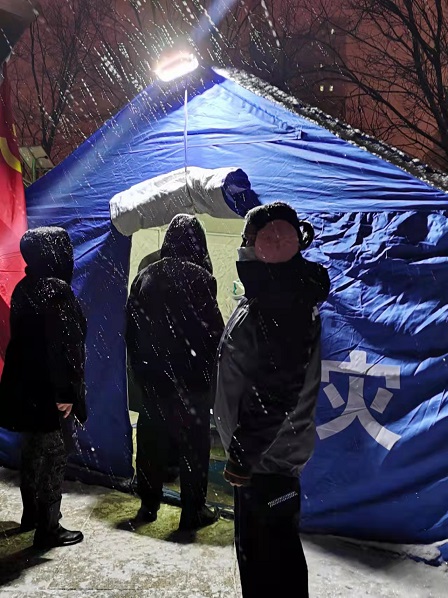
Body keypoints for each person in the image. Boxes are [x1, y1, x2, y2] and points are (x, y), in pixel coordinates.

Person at [213, 202, 330, 597]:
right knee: (267, 562)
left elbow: (276, 389)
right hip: (264, 457)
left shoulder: (282, 302)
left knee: (271, 568)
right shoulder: (274, 294)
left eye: (250, 238)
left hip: (267, 460)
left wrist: (243, 454)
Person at [126, 214, 225, 530]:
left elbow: (131, 329)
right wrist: (207, 375)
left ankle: (148, 504)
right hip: (189, 381)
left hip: (153, 379)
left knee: (150, 441)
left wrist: (141, 370)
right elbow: (213, 334)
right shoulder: (200, 277)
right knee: (193, 447)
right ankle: (192, 511)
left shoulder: (145, 275)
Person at [0, 226, 87, 549]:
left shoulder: (24, 288)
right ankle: (48, 528)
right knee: (54, 455)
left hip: (25, 388)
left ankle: (32, 515)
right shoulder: (57, 291)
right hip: (49, 391)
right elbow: (64, 348)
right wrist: (67, 393)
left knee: (32, 452)